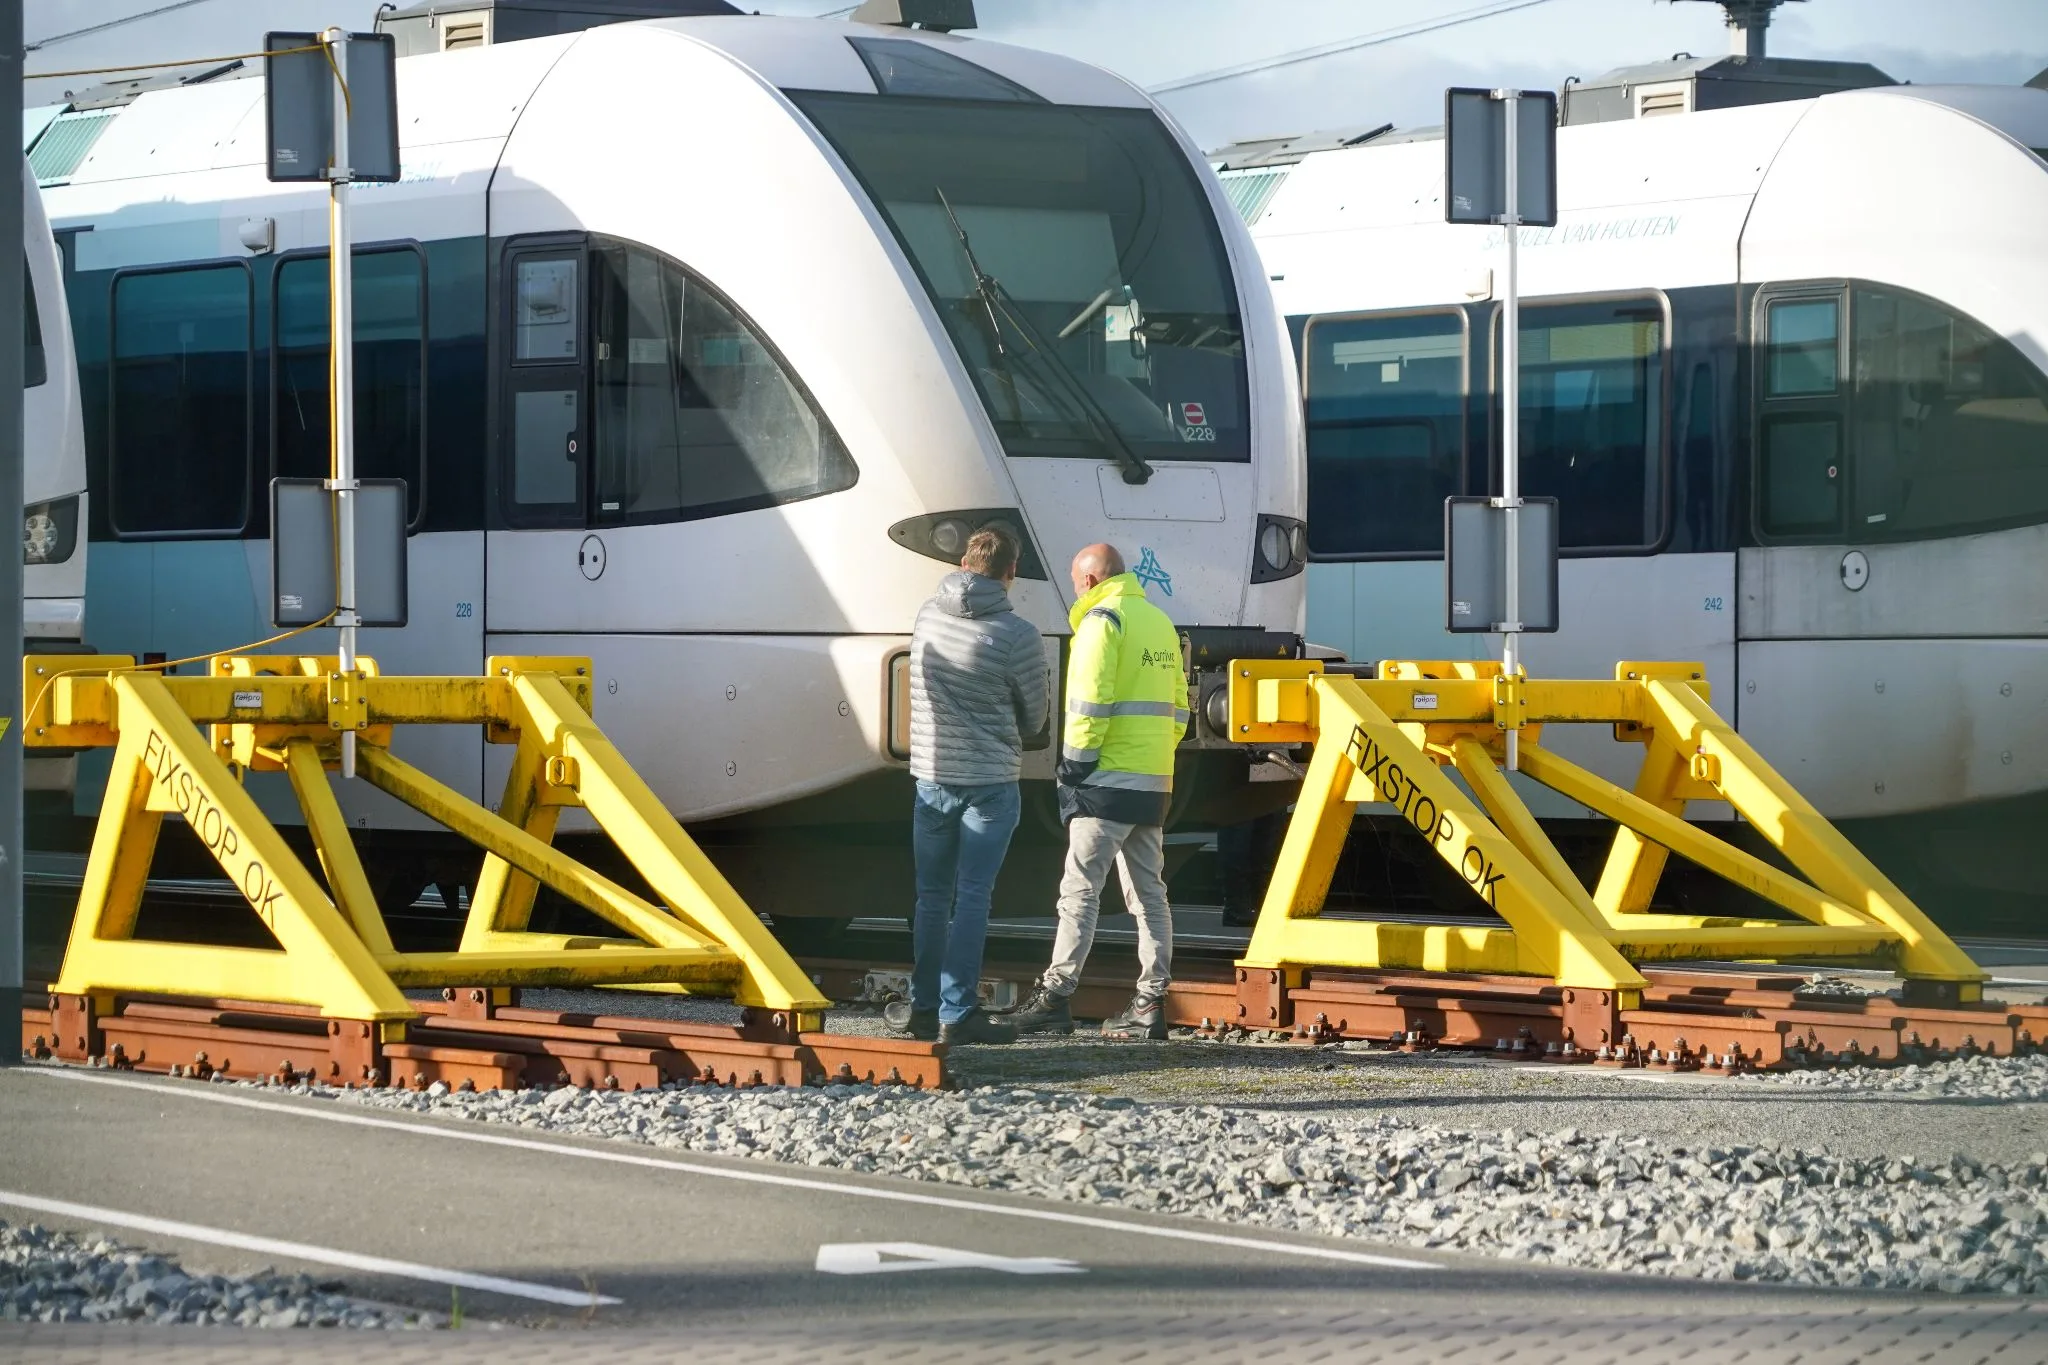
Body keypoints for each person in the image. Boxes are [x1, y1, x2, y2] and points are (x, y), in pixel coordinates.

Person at [1000, 543, 1187, 1041]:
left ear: (1087, 581)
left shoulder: (1102, 622)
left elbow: (1089, 702)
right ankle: (1151, 1001)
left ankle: (1055, 997)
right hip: (1152, 783)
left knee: (1080, 891)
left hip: (1104, 782)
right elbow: (1181, 707)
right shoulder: (1160, 623)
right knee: (1149, 894)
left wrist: (1075, 766)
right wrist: (1156, 757)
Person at [888, 526, 1048, 1046]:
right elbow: (1035, 717)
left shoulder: (926, 615)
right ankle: (958, 1015)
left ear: (962, 561)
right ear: (1011, 572)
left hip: (932, 777)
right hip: (989, 784)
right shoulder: (1017, 634)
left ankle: (921, 1008)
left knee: (931, 898)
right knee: (973, 898)